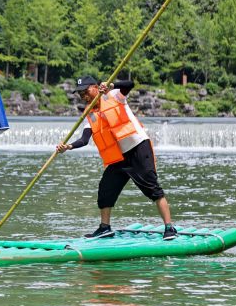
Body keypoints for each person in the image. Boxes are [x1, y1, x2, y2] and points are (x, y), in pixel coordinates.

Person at [56, 76, 177, 240]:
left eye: (86, 91)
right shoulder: (90, 113)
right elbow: (84, 140)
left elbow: (130, 84)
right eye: (80, 94)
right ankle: (105, 228)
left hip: (138, 147)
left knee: (152, 188)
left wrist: (111, 85)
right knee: (105, 189)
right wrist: (68, 146)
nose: (83, 96)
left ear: (95, 87)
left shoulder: (113, 95)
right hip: (119, 157)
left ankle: (169, 227)